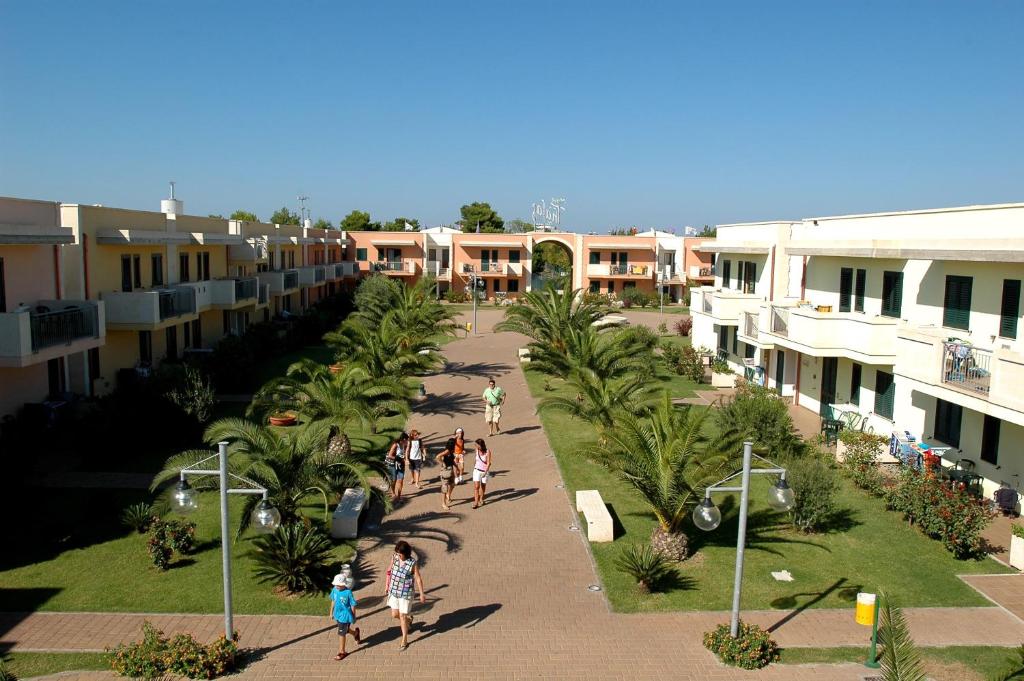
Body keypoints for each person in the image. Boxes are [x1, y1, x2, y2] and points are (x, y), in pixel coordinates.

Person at [385, 540, 425, 651]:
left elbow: (417, 578)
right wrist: (387, 585)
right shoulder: (394, 557)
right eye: (397, 553)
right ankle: (408, 620)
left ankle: (404, 640)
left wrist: (421, 593)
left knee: (402, 616)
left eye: (400, 554)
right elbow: (389, 570)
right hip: (394, 591)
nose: (398, 555)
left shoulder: (412, 563)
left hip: (405, 593)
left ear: (406, 553)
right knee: (394, 614)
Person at [329, 573, 360, 660]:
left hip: (345, 616)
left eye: (339, 585)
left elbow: (353, 605)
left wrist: (354, 616)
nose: (337, 586)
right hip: (337, 615)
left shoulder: (348, 592)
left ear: (344, 584)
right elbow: (333, 601)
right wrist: (331, 612)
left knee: (341, 633)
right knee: (344, 629)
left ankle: (342, 652)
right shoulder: (335, 590)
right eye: (336, 584)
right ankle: (355, 633)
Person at [385, 433, 409, 502]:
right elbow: (390, 455)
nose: (407, 441)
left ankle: (399, 496)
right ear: (404, 439)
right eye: (407, 440)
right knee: (394, 480)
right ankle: (393, 492)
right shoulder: (395, 445)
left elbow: (403, 453)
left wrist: (405, 459)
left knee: (400, 481)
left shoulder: (404, 444)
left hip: (401, 464)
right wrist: (398, 458)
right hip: (393, 465)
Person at [435, 438, 457, 510]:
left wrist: (456, 466)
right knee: (444, 488)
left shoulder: (452, 450)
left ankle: (448, 495)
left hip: (451, 470)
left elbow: (451, 460)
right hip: (445, 471)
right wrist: (443, 463)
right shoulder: (447, 451)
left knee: (452, 484)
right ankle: (443, 504)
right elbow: (438, 456)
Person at [471, 438, 492, 509]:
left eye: (476, 445)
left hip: (484, 471)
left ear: (480, 445)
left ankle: (481, 499)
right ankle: (476, 502)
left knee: (483, 486)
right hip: (476, 470)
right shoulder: (476, 450)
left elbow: (489, 463)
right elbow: (475, 459)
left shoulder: (487, 451)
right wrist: (474, 468)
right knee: (476, 487)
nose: (475, 446)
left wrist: (485, 472)